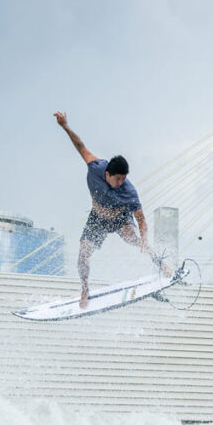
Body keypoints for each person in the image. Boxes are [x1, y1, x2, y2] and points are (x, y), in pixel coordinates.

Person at [54, 111, 163, 308]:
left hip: (120, 219)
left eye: (124, 179)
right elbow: (80, 146)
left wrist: (145, 240)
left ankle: (163, 266)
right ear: (107, 173)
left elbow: (141, 219)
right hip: (97, 219)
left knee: (135, 240)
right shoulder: (95, 167)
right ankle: (85, 289)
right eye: (118, 179)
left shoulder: (129, 192)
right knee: (83, 253)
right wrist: (65, 126)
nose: (121, 183)